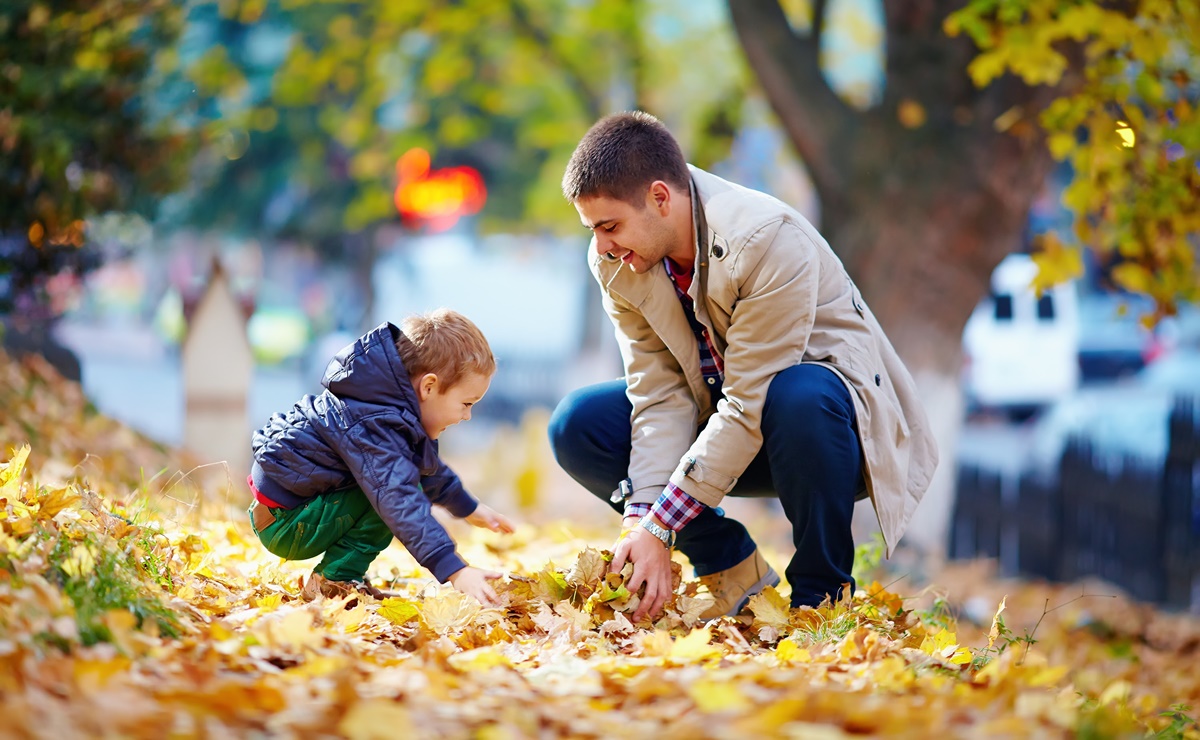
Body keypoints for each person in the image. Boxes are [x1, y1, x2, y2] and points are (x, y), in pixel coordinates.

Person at [548, 111, 937, 624]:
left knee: (798, 393)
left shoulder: (768, 240)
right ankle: (733, 570)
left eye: (610, 226)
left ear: (661, 199)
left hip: (820, 434)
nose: (601, 246)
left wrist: (662, 526)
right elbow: (659, 393)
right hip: (724, 420)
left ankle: (819, 602)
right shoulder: (619, 262)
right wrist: (641, 524)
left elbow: (750, 400)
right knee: (579, 423)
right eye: (592, 229)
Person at [248, 309, 514, 606]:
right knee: (390, 493)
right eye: (466, 403)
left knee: (393, 480)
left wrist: (468, 507)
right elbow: (399, 495)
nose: (467, 416)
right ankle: (333, 582)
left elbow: (427, 469)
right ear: (428, 386)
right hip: (286, 522)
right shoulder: (375, 422)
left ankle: (341, 576)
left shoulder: (386, 408)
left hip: (290, 509)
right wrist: (454, 570)